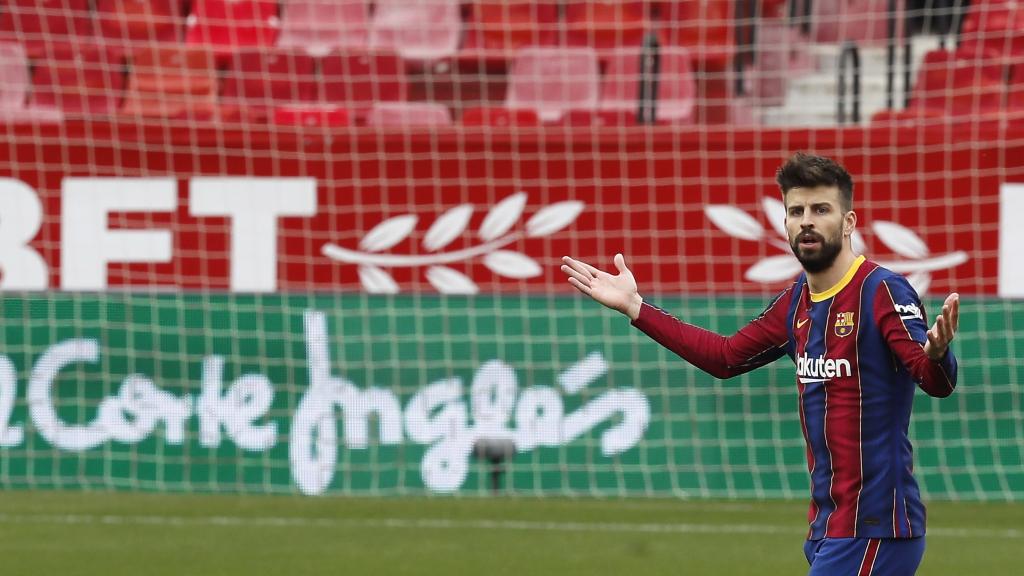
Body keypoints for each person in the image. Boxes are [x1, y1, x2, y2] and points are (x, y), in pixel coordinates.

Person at [560, 153, 959, 575]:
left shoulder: (881, 290)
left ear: (848, 222)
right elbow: (726, 358)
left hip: (876, 528)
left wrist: (937, 354)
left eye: (821, 210)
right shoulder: (795, 304)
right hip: (828, 528)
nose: (806, 220)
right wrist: (637, 308)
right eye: (796, 211)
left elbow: (934, 380)